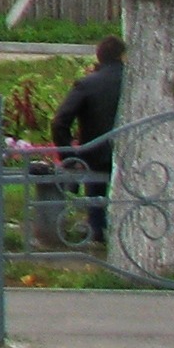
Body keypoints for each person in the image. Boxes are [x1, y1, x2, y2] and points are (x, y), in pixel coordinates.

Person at [51, 35, 125, 243]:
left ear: (99, 57)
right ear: (123, 56)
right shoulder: (137, 83)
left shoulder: (87, 84)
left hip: (96, 155)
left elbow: (59, 122)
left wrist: (69, 155)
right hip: (133, 154)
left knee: (96, 193)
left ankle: (97, 231)